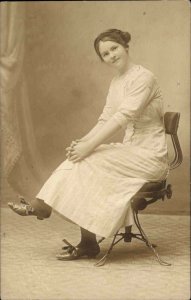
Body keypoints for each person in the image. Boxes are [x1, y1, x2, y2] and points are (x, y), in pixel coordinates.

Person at [8, 28, 169, 261]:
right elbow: (105, 118)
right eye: (105, 53)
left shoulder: (144, 78)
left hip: (150, 156)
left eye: (114, 48)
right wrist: (82, 143)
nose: (112, 55)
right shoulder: (116, 82)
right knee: (83, 158)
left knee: (90, 156)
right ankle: (83, 239)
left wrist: (89, 146)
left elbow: (122, 117)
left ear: (125, 46)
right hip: (130, 153)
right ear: (102, 59)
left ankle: (43, 206)